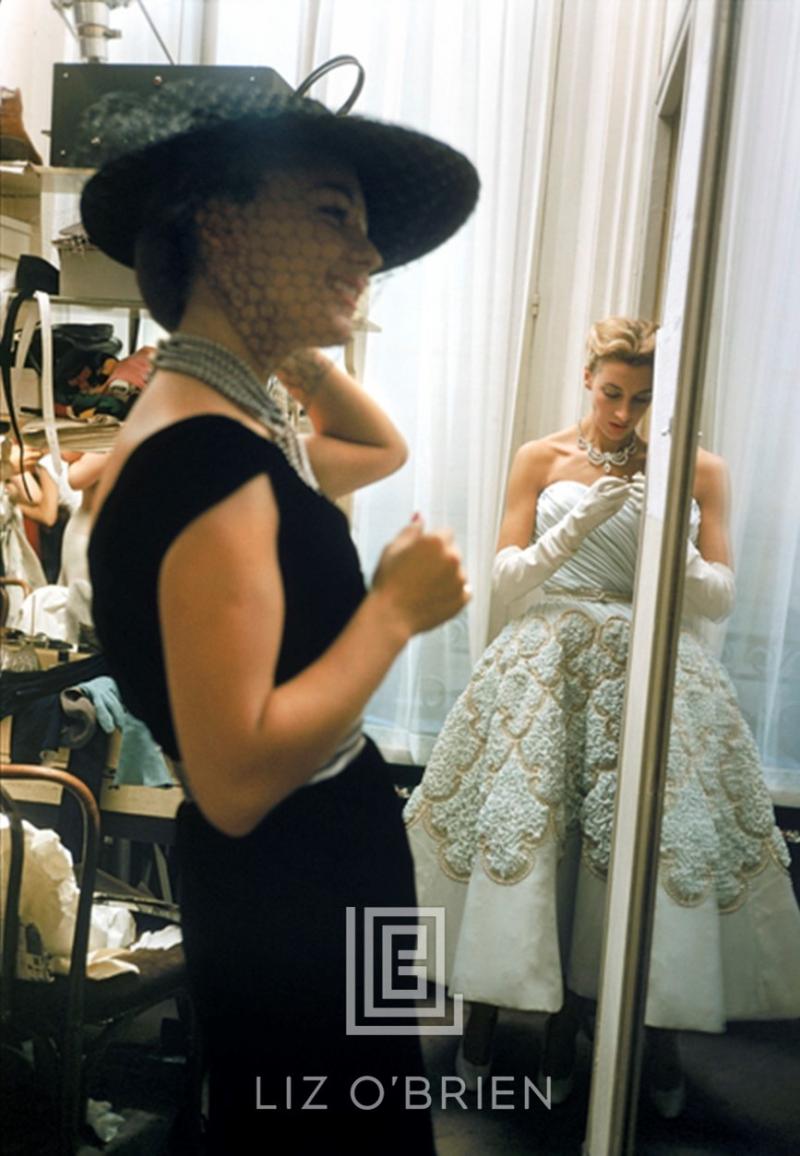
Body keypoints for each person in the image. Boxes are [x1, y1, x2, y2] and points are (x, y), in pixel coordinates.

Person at [83, 79, 479, 1153]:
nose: (368, 253)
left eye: (364, 224)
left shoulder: (229, 426)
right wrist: (391, 615)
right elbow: (237, 778)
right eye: (330, 213)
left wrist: (283, 338)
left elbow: (377, 447)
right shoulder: (207, 466)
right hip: (294, 881)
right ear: (220, 220)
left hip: (324, 864)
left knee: (359, 1110)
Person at [404, 316, 800, 1116]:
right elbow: (507, 581)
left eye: (644, 400)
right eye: (613, 394)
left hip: (654, 666)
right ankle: (496, 1018)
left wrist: (670, 541)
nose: (623, 415)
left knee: (643, 854)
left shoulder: (698, 468)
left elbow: (718, 596)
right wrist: (577, 524)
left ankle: (650, 1036)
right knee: (531, 840)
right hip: (543, 663)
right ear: (588, 379)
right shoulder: (540, 458)